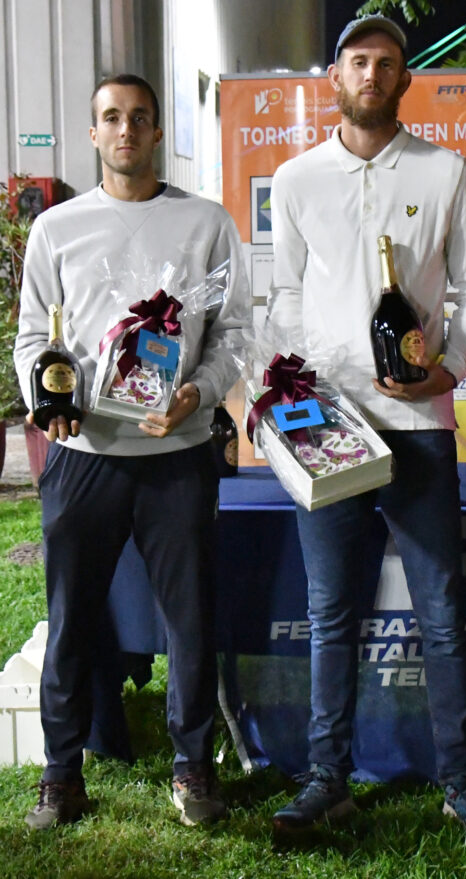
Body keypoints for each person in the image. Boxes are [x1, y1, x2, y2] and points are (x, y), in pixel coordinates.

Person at [265, 15, 466, 845]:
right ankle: (326, 777)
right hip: (328, 427)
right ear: (335, 76)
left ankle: (461, 782)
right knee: (332, 610)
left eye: (387, 63)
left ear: (406, 79)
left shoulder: (445, 171)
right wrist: (297, 388)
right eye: (357, 61)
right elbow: (284, 297)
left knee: (440, 611)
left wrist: (450, 367)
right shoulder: (295, 179)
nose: (371, 73)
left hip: (419, 425)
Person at [14, 73, 251, 828]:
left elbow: (233, 334)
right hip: (84, 454)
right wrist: (45, 397)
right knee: (71, 617)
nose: (126, 130)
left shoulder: (205, 223)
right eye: (111, 118)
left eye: (139, 117)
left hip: (177, 452)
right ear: (94, 133)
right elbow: (32, 336)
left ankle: (192, 768)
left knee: (190, 621)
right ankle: (61, 773)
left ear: (156, 132)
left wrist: (199, 393)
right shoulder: (58, 229)